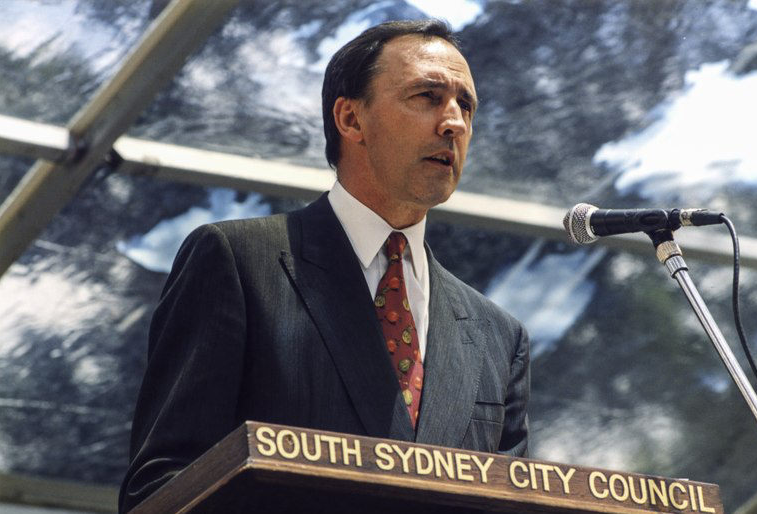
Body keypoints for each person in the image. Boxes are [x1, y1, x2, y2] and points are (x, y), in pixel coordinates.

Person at [119, 19, 530, 513]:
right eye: (427, 96)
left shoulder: (497, 336)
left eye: (466, 105)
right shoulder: (238, 262)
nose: (454, 123)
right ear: (351, 119)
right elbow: (163, 487)